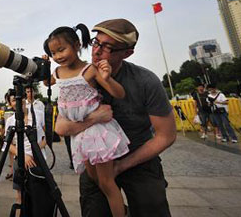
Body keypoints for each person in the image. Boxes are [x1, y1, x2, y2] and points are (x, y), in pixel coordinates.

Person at [54, 19, 176, 217]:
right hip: (96, 158)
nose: (97, 51)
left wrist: (121, 165)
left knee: (151, 208)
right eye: (96, 42)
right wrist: (94, 118)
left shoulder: (145, 81)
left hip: (138, 159)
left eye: (108, 47)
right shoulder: (80, 77)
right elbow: (60, 126)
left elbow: (166, 135)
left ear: (127, 53)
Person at [43, 24, 130, 217]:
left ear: (76, 45)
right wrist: (44, 67)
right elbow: (46, 82)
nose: (58, 56)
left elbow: (120, 93)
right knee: (93, 177)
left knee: (107, 183)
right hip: (78, 133)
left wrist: (107, 78)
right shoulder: (57, 72)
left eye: (61, 49)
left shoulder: (89, 70)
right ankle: (119, 209)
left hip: (96, 131)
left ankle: (120, 212)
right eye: (53, 53)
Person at [4, 89, 51, 216]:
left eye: (20, 98)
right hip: (20, 162)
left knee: (40, 196)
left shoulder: (38, 114)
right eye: (14, 100)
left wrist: (35, 152)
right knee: (20, 197)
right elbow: (8, 146)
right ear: (10, 103)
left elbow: (47, 137)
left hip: (39, 160)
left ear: (25, 99)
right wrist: (23, 155)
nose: (18, 102)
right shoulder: (10, 121)